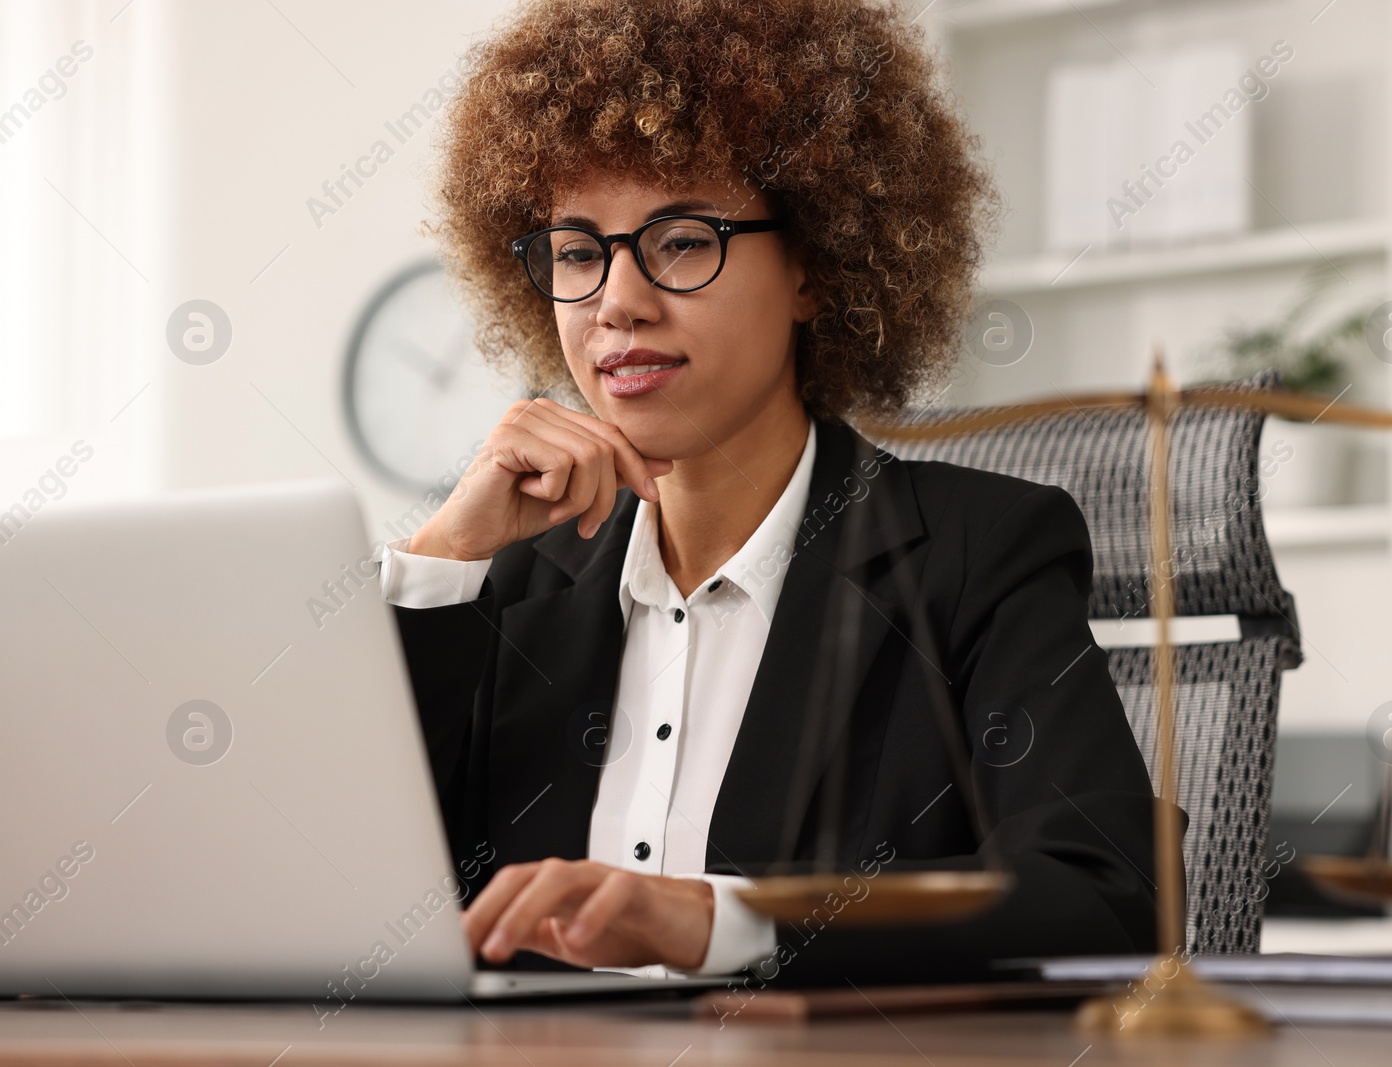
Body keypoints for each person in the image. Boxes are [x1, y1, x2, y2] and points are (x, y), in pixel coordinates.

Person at [380, 0, 1164, 987]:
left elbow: (1106, 893)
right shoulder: (502, 582)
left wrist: (721, 919)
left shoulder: (978, 555)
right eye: (577, 252)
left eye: (679, 240)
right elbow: (325, 889)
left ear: (814, 268)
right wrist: (444, 555)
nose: (617, 300)